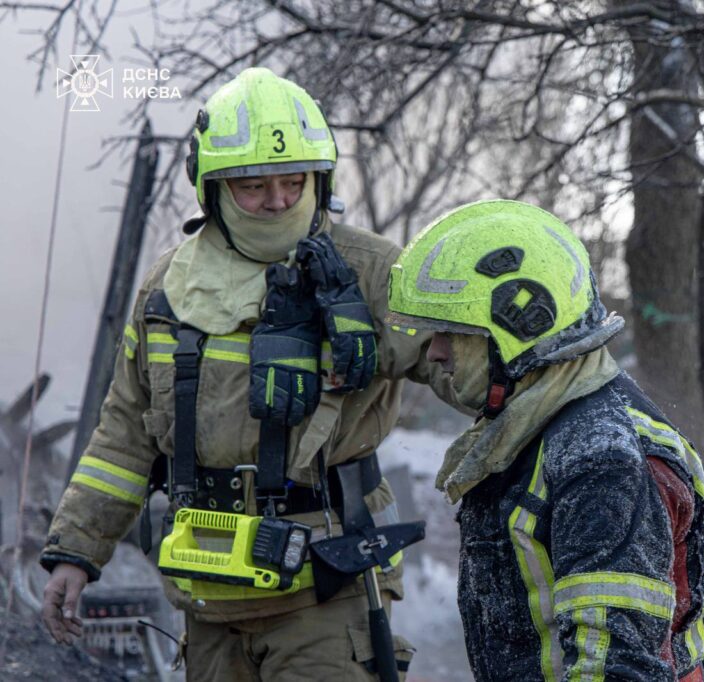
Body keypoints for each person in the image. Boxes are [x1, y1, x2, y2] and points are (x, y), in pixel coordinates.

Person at [39, 67, 457, 681]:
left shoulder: (368, 271)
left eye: (294, 182)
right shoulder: (166, 290)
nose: (279, 202)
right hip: (207, 589)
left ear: (320, 177)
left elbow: (463, 370)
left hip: (328, 585)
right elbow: (124, 435)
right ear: (211, 187)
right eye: (253, 187)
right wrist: (76, 550)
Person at [386, 199, 704, 681]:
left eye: (451, 332)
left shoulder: (602, 462)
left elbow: (615, 670)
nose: (436, 352)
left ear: (520, 327)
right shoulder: (540, 425)